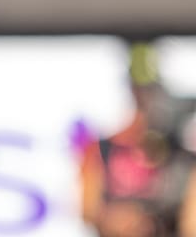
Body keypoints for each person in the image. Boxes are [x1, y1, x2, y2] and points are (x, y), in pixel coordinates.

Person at [80, 41, 196, 237]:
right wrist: (118, 220)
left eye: (153, 90)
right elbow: (88, 211)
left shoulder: (183, 158)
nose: (150, 99)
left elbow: (190, 224)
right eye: (142, 90)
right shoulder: (102, 148)